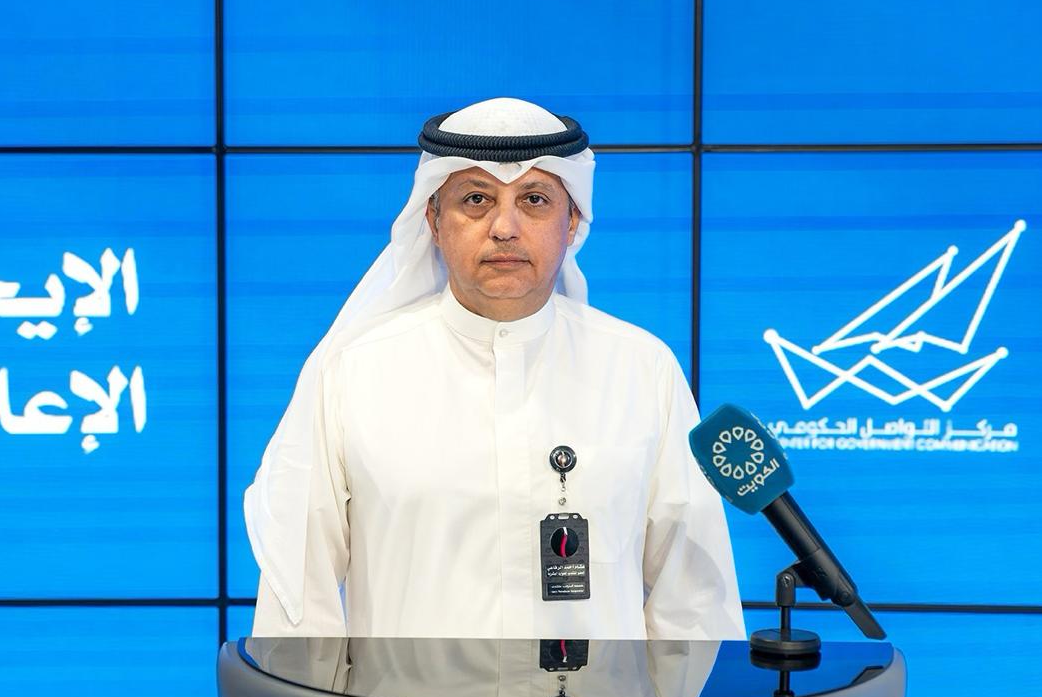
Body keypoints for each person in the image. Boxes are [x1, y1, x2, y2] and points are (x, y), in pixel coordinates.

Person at [246, 97, 745, 639]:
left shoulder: (642, 371)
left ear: (572, 221)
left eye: (534, 200)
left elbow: (694, 607)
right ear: (434, 220)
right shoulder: (351, 372)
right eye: (476, 199)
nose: (504, 227)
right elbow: (299, 604)